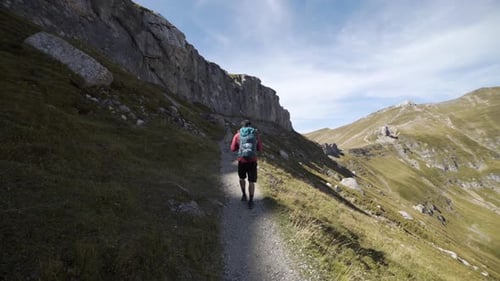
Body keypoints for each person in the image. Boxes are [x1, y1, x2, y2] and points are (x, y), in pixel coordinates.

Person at [230, 120, 262, 209]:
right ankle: (251, 201)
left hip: (242, 160)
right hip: (252, 161)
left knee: (242, 178)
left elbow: (232, 148)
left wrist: (240, 147)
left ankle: (244, 195)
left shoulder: (238, 135)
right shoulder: (255, 134)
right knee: (251, 181)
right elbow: (260, 148)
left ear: (242, 126)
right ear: (250, 126)